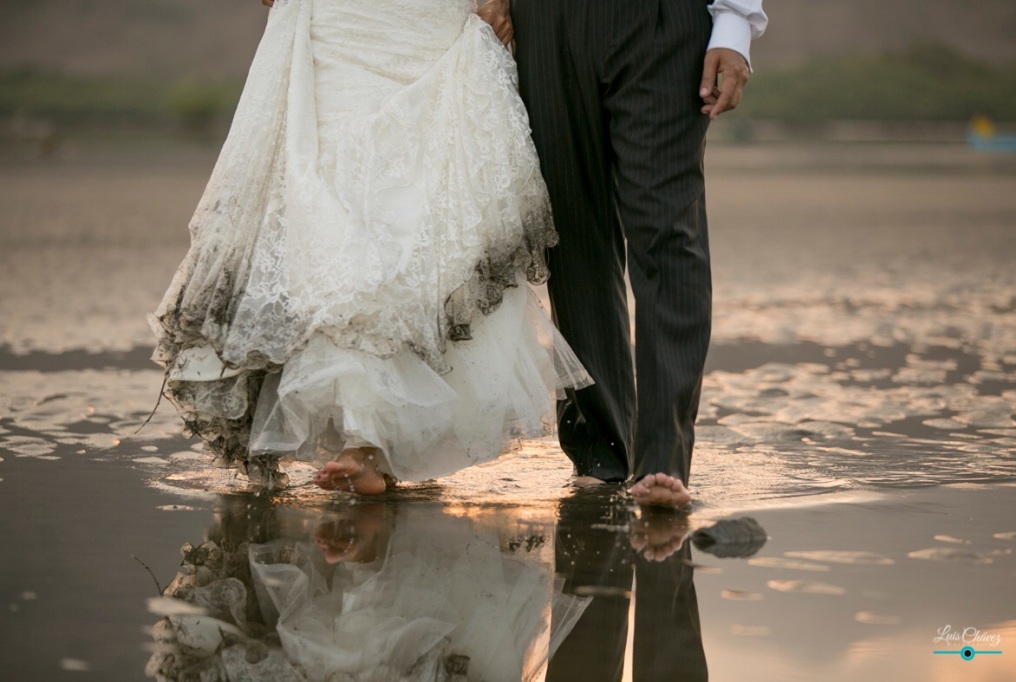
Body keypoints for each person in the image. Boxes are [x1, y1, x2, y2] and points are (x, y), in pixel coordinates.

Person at [149, 0, 591, 493]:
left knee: (417, 217)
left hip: (426, 25)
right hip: (342, 22)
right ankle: (364, 436)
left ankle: (371, 439)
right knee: (334, 211)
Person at [507, 0, 768, 508]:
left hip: (663, 21)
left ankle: (663, 458)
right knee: (572, 238)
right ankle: (604, 454)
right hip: (545, 20)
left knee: (668, 231)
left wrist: (735, 23)